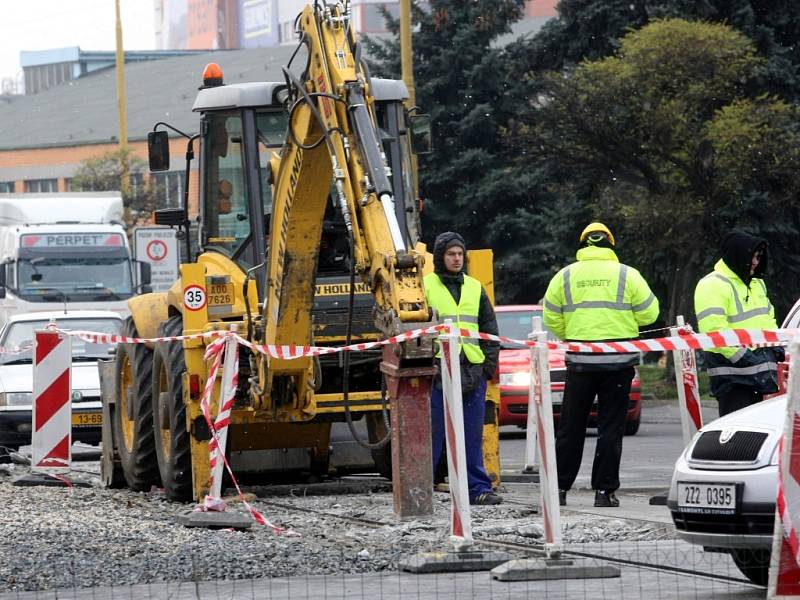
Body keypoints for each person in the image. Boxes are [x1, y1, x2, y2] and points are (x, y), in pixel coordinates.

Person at [543, 222, 658, 508]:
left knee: (571, 428)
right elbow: (649, 314)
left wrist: (572, 336)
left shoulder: (565, 276)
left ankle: (559, 490)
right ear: (611, 244)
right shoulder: (627, 275)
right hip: (618, 365)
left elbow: (551, 317)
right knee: (610, 428)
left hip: (580, 363)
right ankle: (604, 492)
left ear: (584, 244)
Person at [425, 231, 502, 506]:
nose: (456, 259)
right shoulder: (425, 286)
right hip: (436, 370)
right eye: (451, 254)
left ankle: (477, 488)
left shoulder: (474, 286)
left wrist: (487, 367)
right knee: (432, 436)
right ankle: (423, 492)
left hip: (472, 368)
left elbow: (490, 329)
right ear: (440, 258)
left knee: (471, 434)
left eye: (460, 254)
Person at [694, 231, 782, 417]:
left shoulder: (757, 284)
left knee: (755, 437)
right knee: (737, 440)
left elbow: (768, 318)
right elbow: (714, 331)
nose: (756, 263)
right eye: (753, 257)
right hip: (732, 377)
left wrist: (776, 345)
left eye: (759, 257)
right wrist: (746, 357)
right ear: (738, 255)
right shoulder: (712, 284)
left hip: (759, 374)